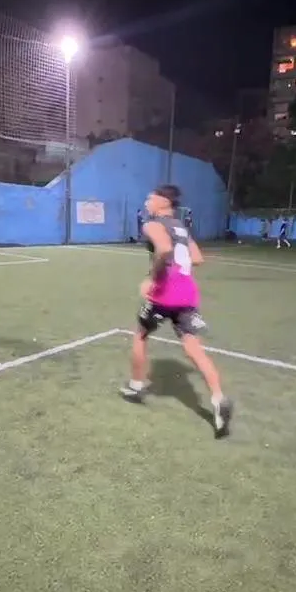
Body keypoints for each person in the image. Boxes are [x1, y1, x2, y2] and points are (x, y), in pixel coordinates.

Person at [121, 185, 234, 437]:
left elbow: (163, 249)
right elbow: (197, 258)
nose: (147, 202)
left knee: (140, 335)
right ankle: (218, 398)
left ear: (164, 202)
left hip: (164, 290)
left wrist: (152, 278)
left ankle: (136, 386)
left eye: (150, 198)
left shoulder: (152, 224)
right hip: (186, 291)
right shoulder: (181, 227)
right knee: (193, 347)